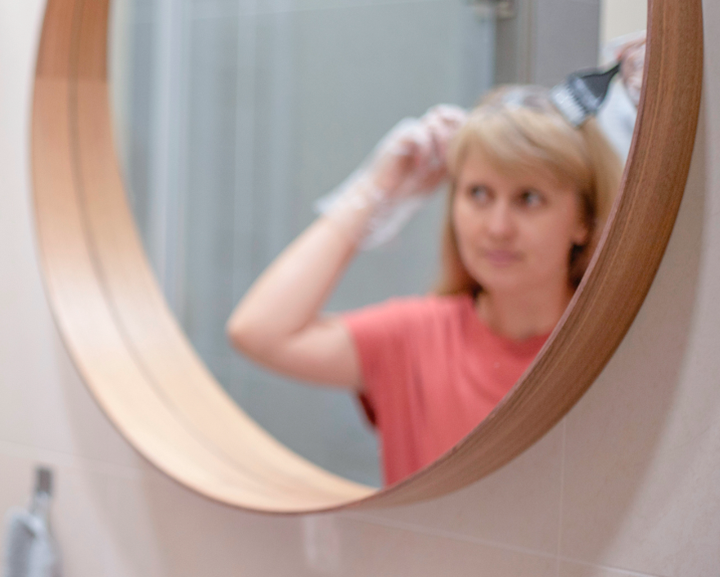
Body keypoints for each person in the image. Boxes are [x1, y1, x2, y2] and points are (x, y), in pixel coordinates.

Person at [227, 86, 622, 485]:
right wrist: (377, 189)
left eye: (529, 198)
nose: (498, 227)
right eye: (478, 194)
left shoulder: (618, 351)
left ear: (583, 221)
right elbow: (258, 331)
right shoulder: (415, 340)